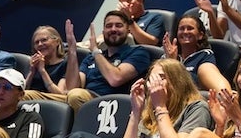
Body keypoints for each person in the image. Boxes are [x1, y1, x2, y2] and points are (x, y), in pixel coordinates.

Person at [59, 58, 213, 138]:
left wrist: (160, 107)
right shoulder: (149, 113)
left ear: (178, 81)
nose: (153, 84)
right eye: (151, 79)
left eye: (161, 78)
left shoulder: (196, 107)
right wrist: (136, 112)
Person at [22, 13, 150, 111]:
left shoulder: (138, 52)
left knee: (76, 95)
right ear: (103, 31)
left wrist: (95, 50)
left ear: (128, 30)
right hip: (82, 98)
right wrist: (72, 50)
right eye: (109, 26)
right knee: (26, 96)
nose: (113, 29)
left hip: (113, 103)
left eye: (119, 25)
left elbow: (115, 79)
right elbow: (72, 86)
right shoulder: (90, 58)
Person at [161, 15, 230, 91]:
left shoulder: (204, 55)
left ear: (200, 35)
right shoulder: (167, 56)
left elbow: (193, 84)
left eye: (190, 28)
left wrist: (173, 63)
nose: (185, 32)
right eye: (181, 29)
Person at [23, 26, 67, 96]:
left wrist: (42, 71)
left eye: (44, 40)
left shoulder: (66, 64)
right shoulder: (32, 64)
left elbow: (60, 95)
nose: (40, 44)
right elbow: (21, 92)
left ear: (57, 42)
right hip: (29, 101)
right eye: (37, 42)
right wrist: (32, 72)